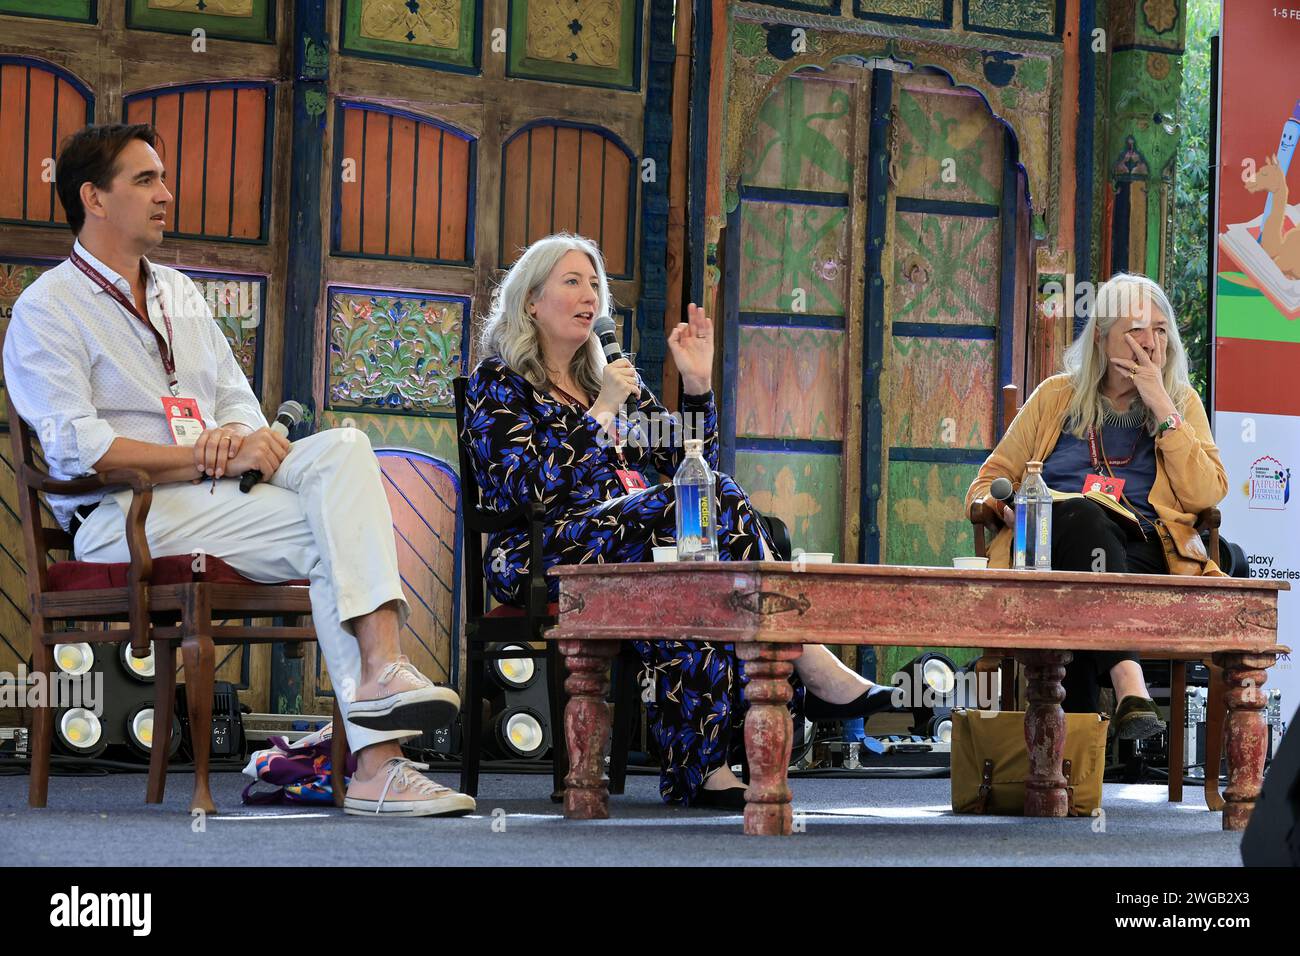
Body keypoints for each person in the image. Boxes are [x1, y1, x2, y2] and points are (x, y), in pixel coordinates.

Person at [4, 123, 471, 817]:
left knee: (344, 451)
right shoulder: (48, 308)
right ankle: (378, 751)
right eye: (145, 180)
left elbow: (241, 414)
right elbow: (84, 450)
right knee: (331, 536)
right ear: (93, 199)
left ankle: (379, 701)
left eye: (163, 178)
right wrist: (202, 454)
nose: (166, 194)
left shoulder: (182, 295)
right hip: (120, 519)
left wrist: (237, 441)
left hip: (219, 500)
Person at [462, 233, 895, 809]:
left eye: (595, 284)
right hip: (541, 550)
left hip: (640, 541)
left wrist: (696, 385)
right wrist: (602, 413)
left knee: (705, 577)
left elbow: (693, 465)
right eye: (572, 282)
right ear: (532, 301)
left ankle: (706, 772)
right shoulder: (500, 383)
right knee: (694, 520)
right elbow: (527, 486)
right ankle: (806, 659)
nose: (590, 295)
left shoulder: (608, 379)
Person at [966, 273, 1228, 737]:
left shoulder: (1180, 403)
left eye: (1161, 329)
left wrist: (1160, 403)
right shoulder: (1055, 397)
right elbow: (988, 482)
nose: (1152, 342)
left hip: (1143, 552)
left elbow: (1206, 496)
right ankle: (1128, 685)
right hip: (1045, 547)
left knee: (1085, 561)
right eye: (1136, 330)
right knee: (1082, 518)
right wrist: (1005, 508)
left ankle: (1067, 765)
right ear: (1103, 338)